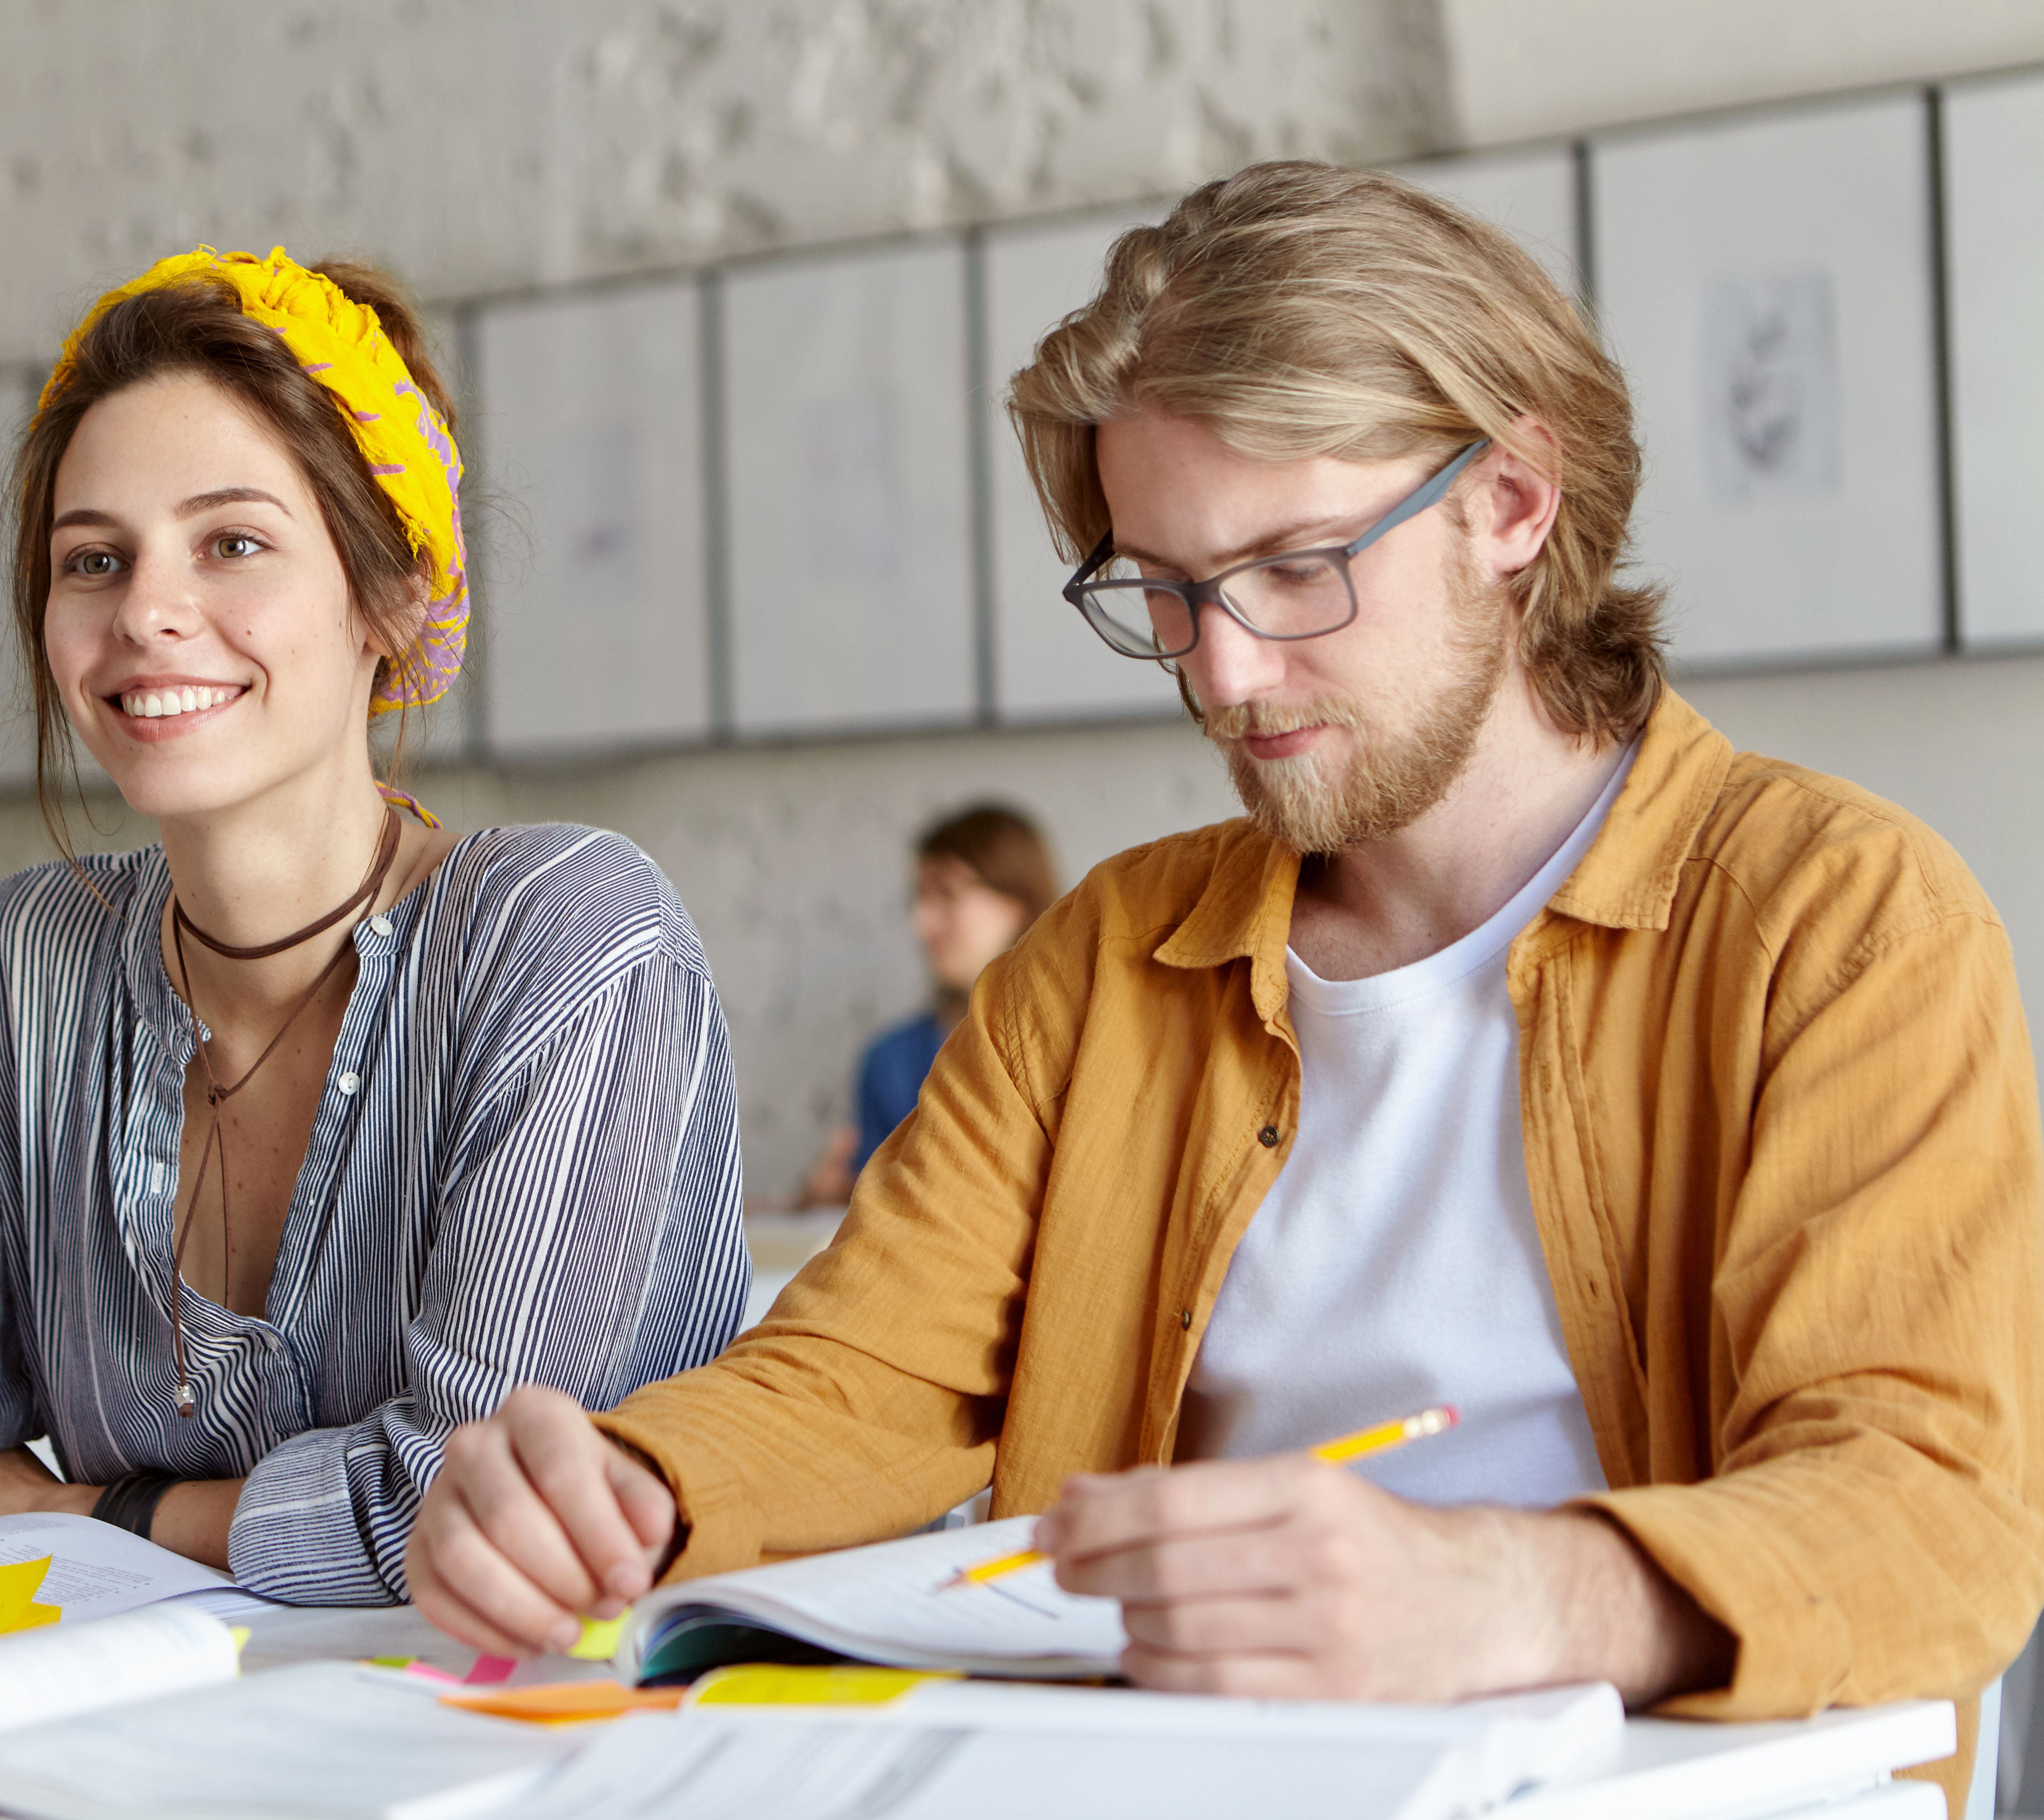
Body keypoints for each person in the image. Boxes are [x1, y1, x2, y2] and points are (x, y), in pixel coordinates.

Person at [403, 162, 2044, 1812]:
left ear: (1515, 502)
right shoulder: (1106, 959)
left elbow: (1932, 1507)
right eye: (1168, 591)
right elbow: (866, 1373)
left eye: (1295, 565)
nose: (1226, 670)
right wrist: (627, 1485)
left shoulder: (1837, 923)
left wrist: (1511, 1590)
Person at [0, 248, 749, 1606]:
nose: (145, 613)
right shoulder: (20, 962)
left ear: (390, 599)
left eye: (230, 542)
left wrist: (84, 1506)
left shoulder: (569, 938)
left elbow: (467, 1505)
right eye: (92, 559)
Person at [800, 804, 1056, 1206]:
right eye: (920, 898)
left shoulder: (1076, 1043)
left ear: (1016, 902)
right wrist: (821, 1201)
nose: (922, 923)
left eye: (947, 895)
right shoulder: (889, 1059)